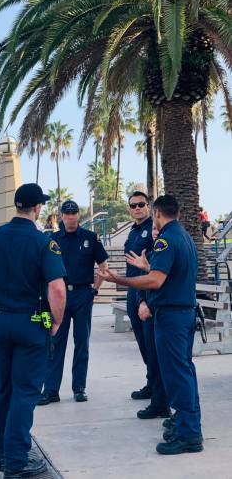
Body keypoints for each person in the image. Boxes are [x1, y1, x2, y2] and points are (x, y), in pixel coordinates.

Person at [0, 183, 67, 478]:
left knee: (1, 388)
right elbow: (57, 289)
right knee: (25, 391)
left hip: (0, 321)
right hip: (34, 321)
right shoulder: (43, 242)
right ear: (37, 208)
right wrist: (56, 322)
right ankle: (16, 459)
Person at [102, 195, 203, 455]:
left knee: (177, 374)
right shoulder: (183, 236)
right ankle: (186, 424)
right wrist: (147, 265)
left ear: (156, 212)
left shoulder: (166, 239)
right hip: (182, 313)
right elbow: (170, 273)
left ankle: (188, 434)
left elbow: (156, 281)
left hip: (171, 317)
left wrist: (119, 279)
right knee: (184, 371)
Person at [38, 200, 108, 406]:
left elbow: (103, 265)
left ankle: (79, 388)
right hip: (60, 297)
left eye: (74, 213)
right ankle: (51, 390)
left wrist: (95, 289)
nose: (70, 216)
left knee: (82, 342)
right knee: (55, 343)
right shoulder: (52, 239)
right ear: (61, 216)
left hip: (82, 295)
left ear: (78, 215)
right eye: (67, 213)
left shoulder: (90, 238)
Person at [123, 191, 162, 406]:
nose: (137, 208)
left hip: (146, 292)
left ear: (148, 207)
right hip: (133, 290)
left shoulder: (153, 230)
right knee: (142, 341)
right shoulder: (133, 231)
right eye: (133, 205)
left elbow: (153, 267)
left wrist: (144, 300)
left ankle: (159, 391)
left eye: (141, 204)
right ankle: (151, 383)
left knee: (150, 342)